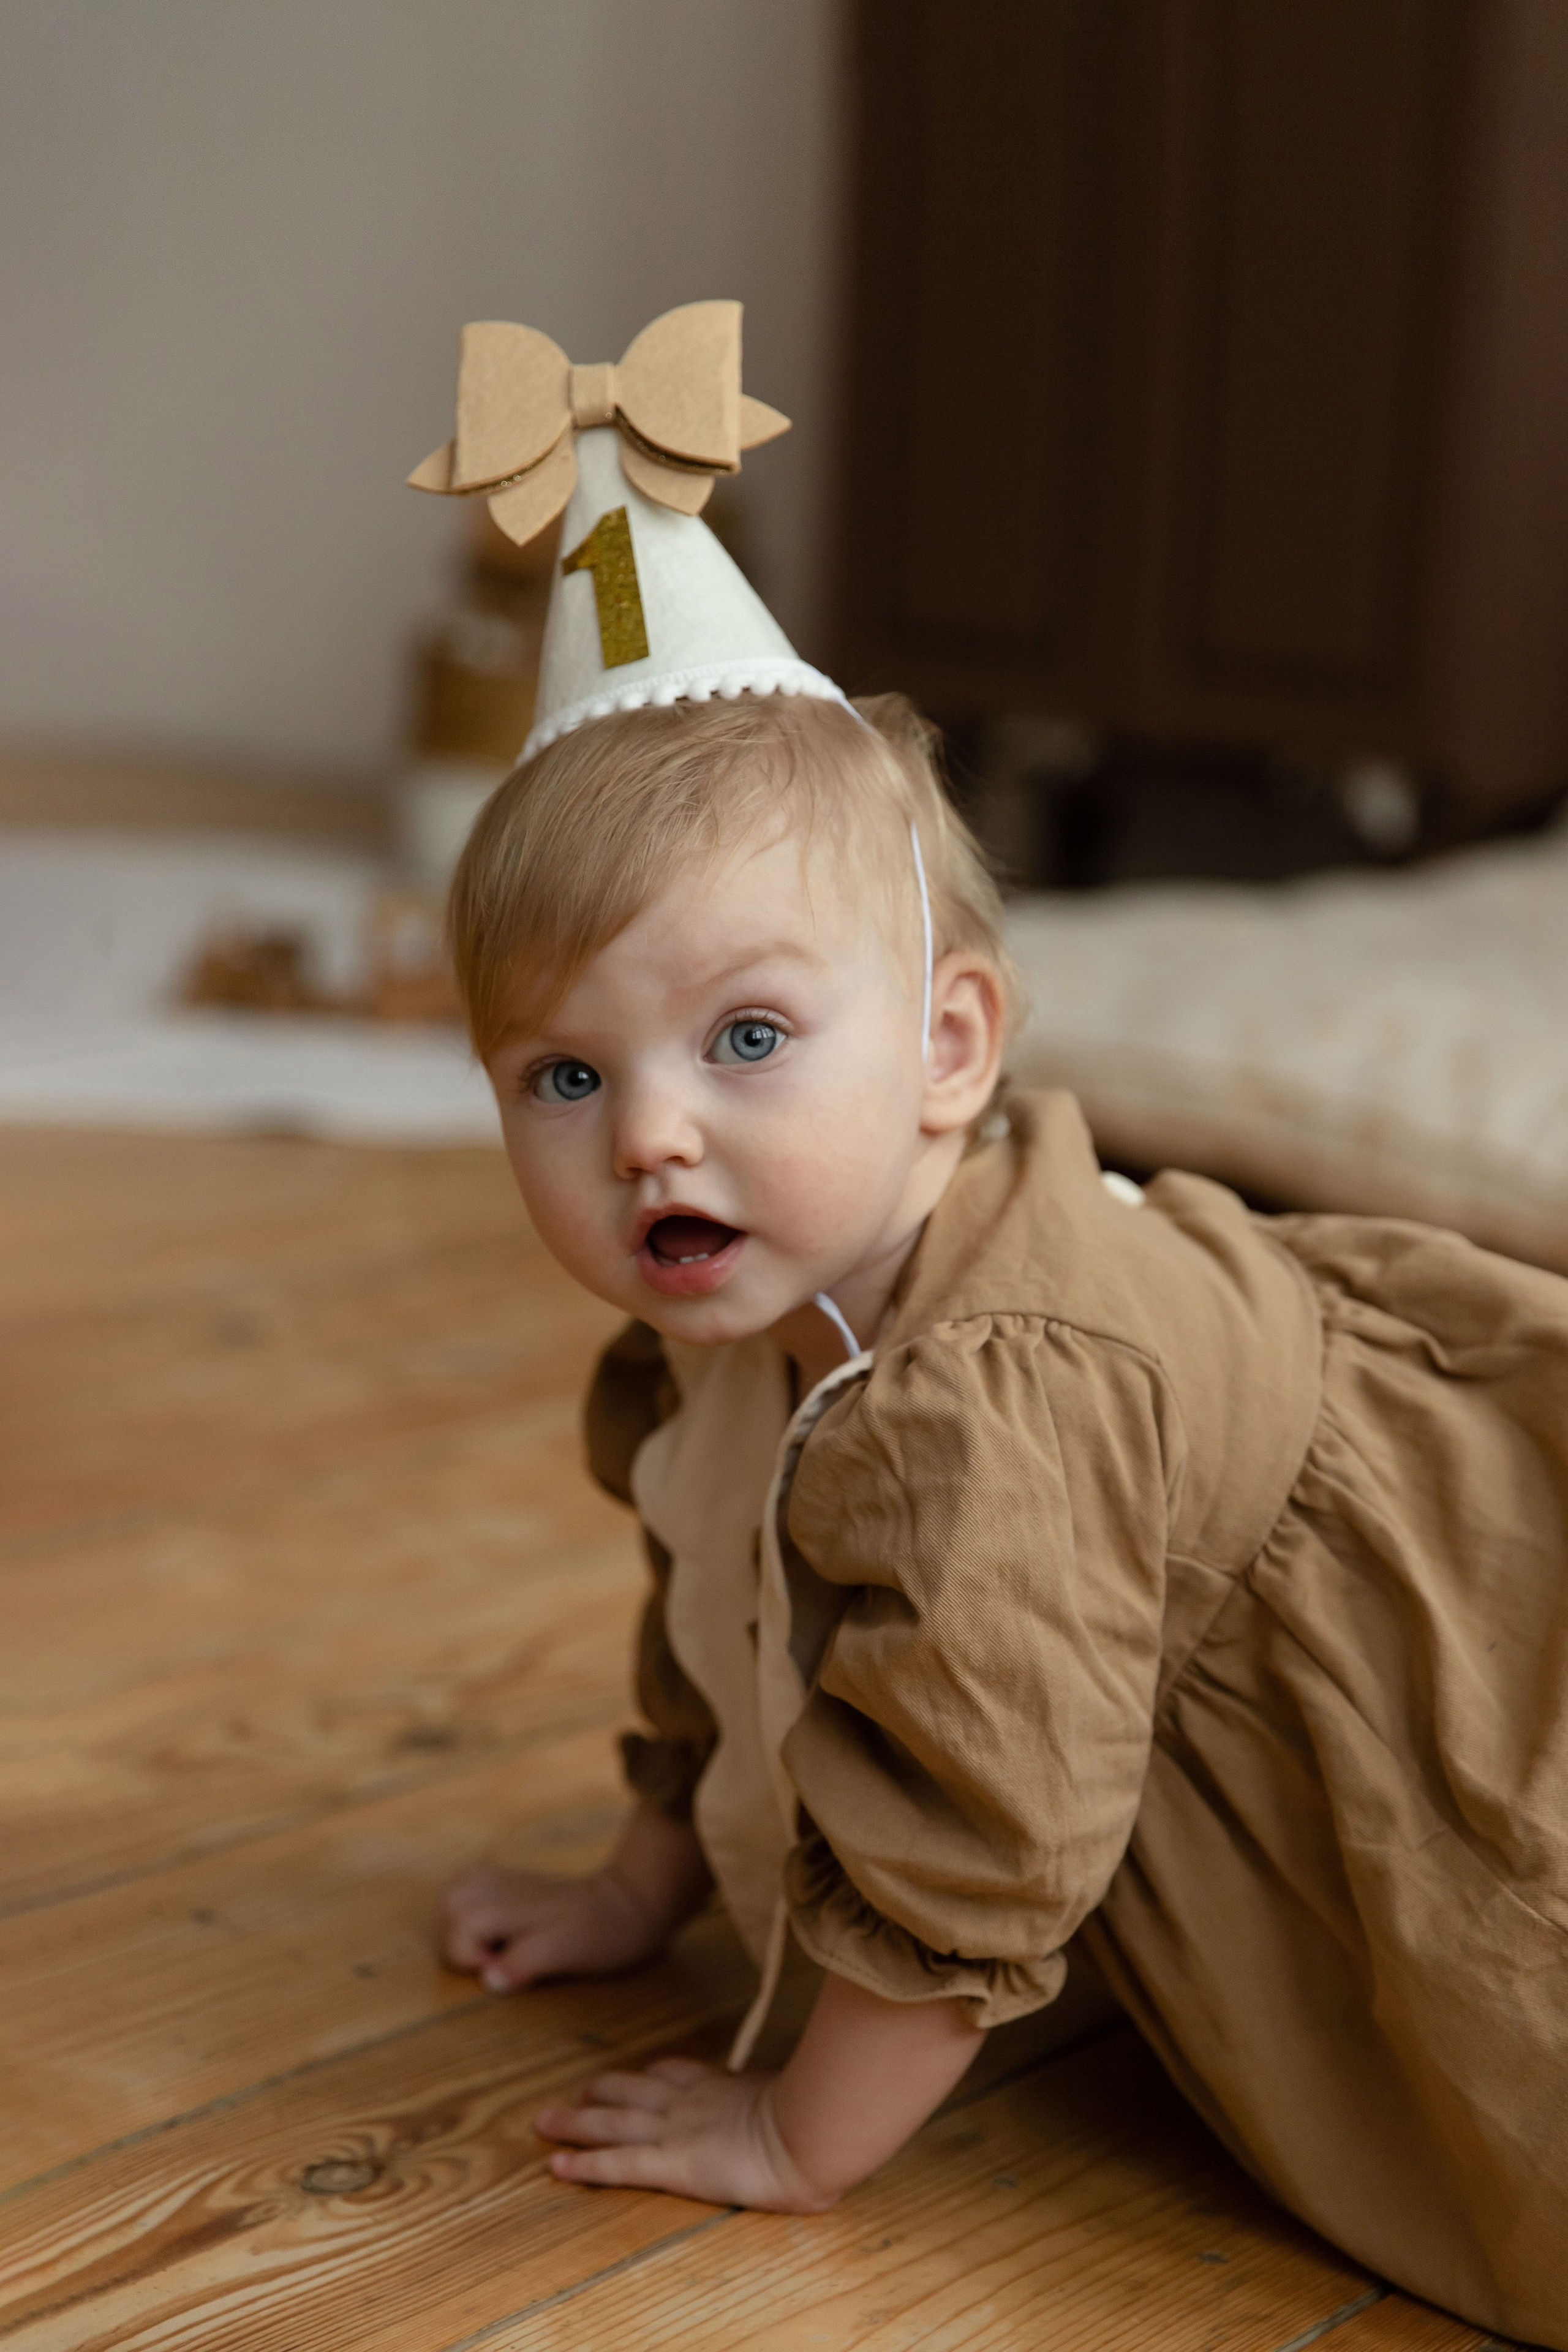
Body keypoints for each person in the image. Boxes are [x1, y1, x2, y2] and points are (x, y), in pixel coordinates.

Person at [415, 306, 1568, 2346]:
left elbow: (988, 1829)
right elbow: (716, 1592)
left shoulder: (985, 1420)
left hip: (1431, 1664)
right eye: (563, 1078)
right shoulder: (732, 1305)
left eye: (748, 1039)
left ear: (954, 1047)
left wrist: (792, 2137)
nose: (651, 1136)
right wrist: (638, 1887)